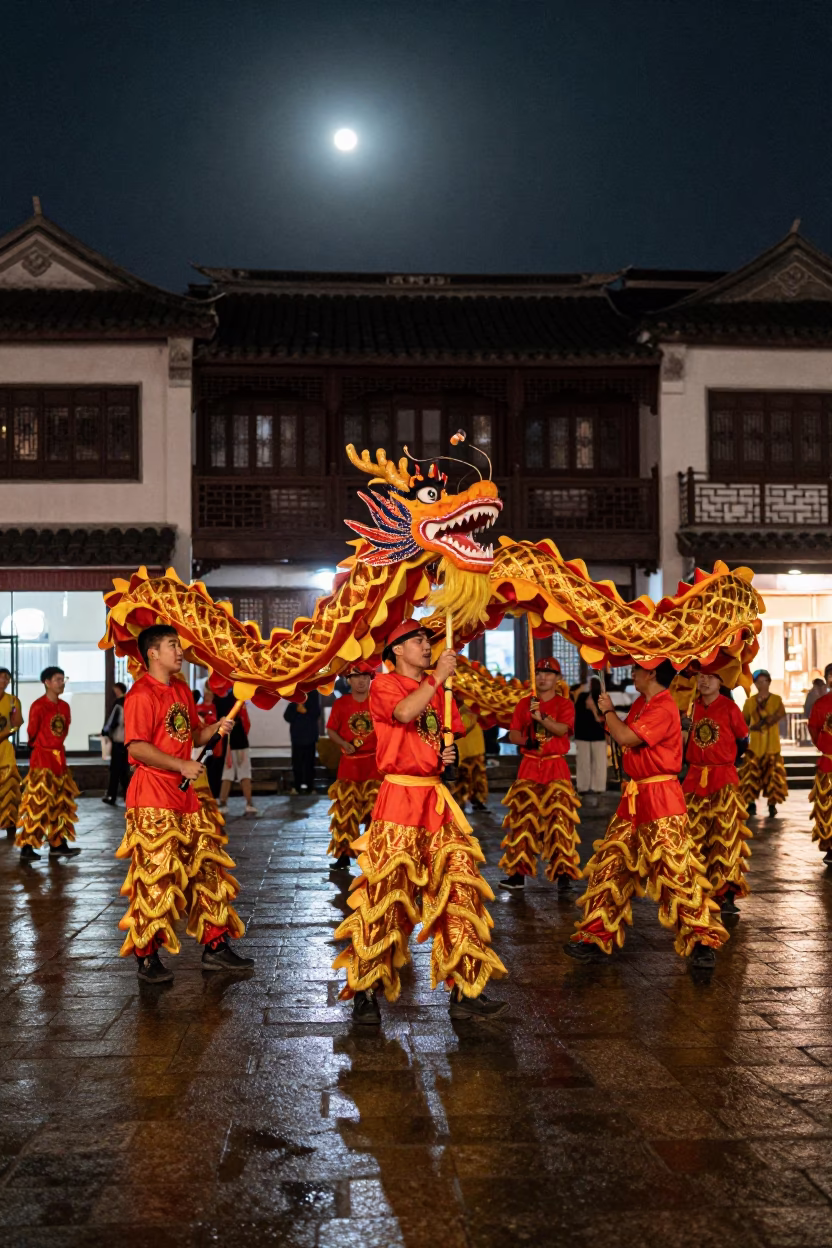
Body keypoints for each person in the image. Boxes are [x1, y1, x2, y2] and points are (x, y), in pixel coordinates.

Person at [333, 619, 507, 1023]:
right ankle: (364, 988)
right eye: (416, 640)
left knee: (460, 890)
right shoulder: (384, 684)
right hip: (399, 802)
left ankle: (466, 987)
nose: (426, 646)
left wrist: (446, 755)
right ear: (396, 650)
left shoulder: (440, 690)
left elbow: (444, 734)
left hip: (437, 800)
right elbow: (403, 712)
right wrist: (438, 679)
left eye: (427, 640)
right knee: (386, 898)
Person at [565, 659, 728, 970]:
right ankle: (596, 936)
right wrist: (608, 715)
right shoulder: (642, 701)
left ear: (652, 673)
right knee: (610, 867)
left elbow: (626, 737)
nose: (632, 673)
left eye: (637, 668)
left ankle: (701, 940)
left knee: (675, 872)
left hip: (660, 798)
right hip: (634, 797)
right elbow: (622, 732)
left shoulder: (663, 706)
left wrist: (609, 711)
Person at [115, 625, 253, 982]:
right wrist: (181, 764)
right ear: (153, 653)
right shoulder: (141, 694)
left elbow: (191, 734)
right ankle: (147, 957)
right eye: (172, 645)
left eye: (178, 645)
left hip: (186, 796)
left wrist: (216, 728)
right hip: (152, 796)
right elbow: (136, 747)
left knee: (207, 869)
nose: (180, 652)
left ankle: (216, 946)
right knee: (156, 876)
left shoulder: (179, 690)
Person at [498, 656, 581, 893]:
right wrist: (528, 740)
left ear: (557, 678)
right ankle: (517, 874)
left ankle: (564, 872)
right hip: (530, 766)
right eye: (539, 673)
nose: (543, 677)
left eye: (549, 673)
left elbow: (562, 730)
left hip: (556, 767)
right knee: (523, 819)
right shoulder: (524, 703)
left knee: (560, 820)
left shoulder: (565, 704)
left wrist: (540, 717)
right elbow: (513, 734)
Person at [682, 672, 752, 917]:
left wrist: (727, 759)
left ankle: (726, 893)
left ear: (721, 681)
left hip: (723, 778)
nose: (704, 681)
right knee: (694, 834)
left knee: (726, 836)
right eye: (700, 676)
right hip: (694, 779)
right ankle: (696, 887)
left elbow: (744, 739)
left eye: (712, 676)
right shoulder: (690, 707)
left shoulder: (730, 708)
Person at [16, 666, 80, 862]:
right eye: (58, 679)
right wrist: (42, 747)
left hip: (59, 760)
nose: (61, 683)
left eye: (63, 679)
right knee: (39, 803)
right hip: (42, 760)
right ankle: (27, 846)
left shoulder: (64, 707)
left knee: (60, 803)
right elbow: (32, 732)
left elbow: (64, 730)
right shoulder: (38, 706)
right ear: (47, 682)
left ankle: (58, 844)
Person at [325, 661, 381, 870]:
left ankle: (374, 853)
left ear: (370, 679)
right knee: (346, 812)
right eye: (357, 677)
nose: (361, 681)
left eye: (366, 677)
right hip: (349, 765)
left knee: (375, 812)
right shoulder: (341, 704)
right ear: (349, 680)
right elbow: (331, 730)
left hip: (375, 764)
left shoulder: (378, 702)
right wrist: (343, 743)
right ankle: (344, 855)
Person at [739, 669, 788, 817]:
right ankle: (751, 803)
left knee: (773, 776)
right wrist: (752, 727)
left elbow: (780, 715)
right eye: (758, 682)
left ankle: (772, 804)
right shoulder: (749, 702)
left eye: (765, 681)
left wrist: (764, 722)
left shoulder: (777, 700)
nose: (762, 684)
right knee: (751, 776)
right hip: (755, 746)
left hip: (772, 745)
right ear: (755, 684)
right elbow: (743, 721)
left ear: (769, 682)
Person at [215, 689, 258, 816]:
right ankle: (227, 803)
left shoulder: (234, 696)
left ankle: (248, 803)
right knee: (230, 774)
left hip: (237, 741)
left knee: (241, 774)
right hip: (229, 742)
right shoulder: (225, 697)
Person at [574, 676, 608, 803]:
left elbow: (603, 718)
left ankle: (598, 786)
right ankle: (583, 786)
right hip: (584, 734)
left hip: (597, 734)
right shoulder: (582, 696)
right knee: (583, 762)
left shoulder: (602, 699)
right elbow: (576, 714)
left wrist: (593, 708)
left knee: (599, 762)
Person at [808, 686, 832, 863]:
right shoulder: (821, 704)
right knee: (827, 808)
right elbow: (814, 731)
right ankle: (830, 846)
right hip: (828, 764)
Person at [284, 689, 321, 794]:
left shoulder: (313, 693)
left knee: (310, 763)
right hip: (297, 736)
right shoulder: (294, 694)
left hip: (310, 735)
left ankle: (310, 787)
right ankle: (297, 786)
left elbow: (316, 713)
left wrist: (306, 711)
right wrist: (296, 710)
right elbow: (287, 716)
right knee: (297, 763)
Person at [0, 667, 22, 838]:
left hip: (5, 747)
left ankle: (10, 824)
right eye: (1, 678)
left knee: (9, 786)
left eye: (7, 678)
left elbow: (16, 723)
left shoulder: (13, 701)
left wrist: (8, 732)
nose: (4, 681)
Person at [454, 703, 488, 812]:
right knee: (460, 777)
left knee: (477, 775)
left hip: (473, 746)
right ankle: (459, 802)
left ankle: (478, 800)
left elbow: (479, 719)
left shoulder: (474, 701)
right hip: (458, 746)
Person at [101, 681, 130, 806]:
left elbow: (113, 721)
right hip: (129, 741)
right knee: (124, 769)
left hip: (119, 740)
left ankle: (112, 795)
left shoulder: (119, 704)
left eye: (115, 690)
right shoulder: (131, 702)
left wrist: (105, 732)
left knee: (115, 770)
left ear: (118, 690)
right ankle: (129, 795)